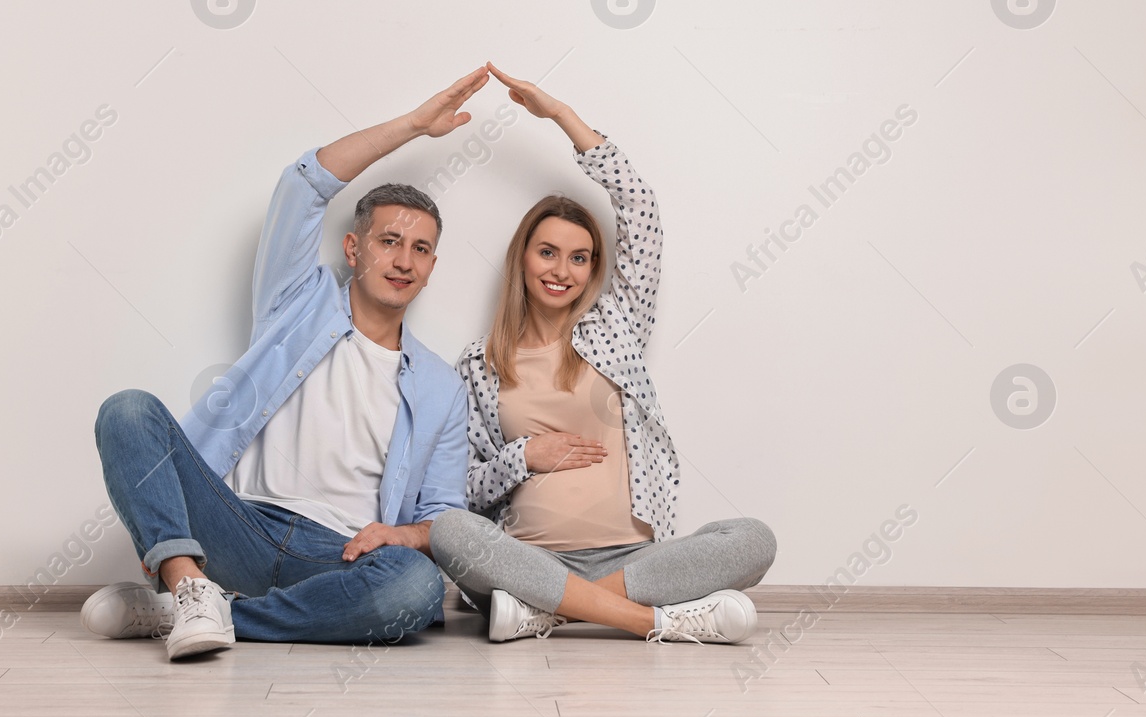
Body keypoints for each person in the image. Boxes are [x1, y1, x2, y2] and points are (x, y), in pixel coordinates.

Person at [81, 68, 486, 659]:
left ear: (431, 265)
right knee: (127, 413)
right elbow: (304, 187)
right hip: (237, 524)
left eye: (420, 248)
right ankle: (193, 583)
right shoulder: (297, 300)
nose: (404, 260)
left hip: (340, 555)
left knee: (417, 590)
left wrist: (399, 536)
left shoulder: (441, 388)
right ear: (354, 248)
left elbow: (443, 520)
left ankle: (194, 609)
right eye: (389, 241)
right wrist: (413, 126)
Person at [430, 62, 777, 644]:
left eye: (579, 257)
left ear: (594, 267)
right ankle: (653, 622)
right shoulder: (478, 363)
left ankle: (554, 612)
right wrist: (525, 456)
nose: (561, 270)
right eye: (547, 252)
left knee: (754, 539)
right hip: (529, 560)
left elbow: (639, 208)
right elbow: (466, 488)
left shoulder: (615, 327)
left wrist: (562, 118)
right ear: (523, 257)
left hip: (632, 561)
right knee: (447, 531)